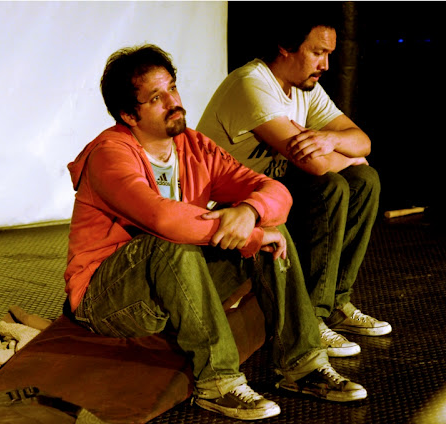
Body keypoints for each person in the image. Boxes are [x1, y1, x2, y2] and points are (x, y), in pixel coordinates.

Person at [63, 44, 367, 421]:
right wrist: (250, 235)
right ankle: (217, 382)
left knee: (267, 222)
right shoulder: (110, 154)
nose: (173, 102)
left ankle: (302, 365)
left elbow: (274, 191)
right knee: (173, 243)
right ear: (128, 115)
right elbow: (163, 220)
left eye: (173, 88)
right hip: (106, 300)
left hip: (173, 286)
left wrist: (251, 212)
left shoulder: (194, 146)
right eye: (156, 98)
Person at [196, 9, 391, 359]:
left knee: (366, 179)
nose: (325, 65)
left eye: (329, 54)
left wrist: (331, 141)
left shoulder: (306, 88)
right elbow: (316, 165)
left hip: (272, 193)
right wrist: (345, 155)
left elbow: (363, 142)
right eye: (317, 52)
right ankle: (310, 320)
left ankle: (335, 303)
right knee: (330, 186)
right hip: (229, 206)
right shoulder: (253, 83)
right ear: (286, 47)